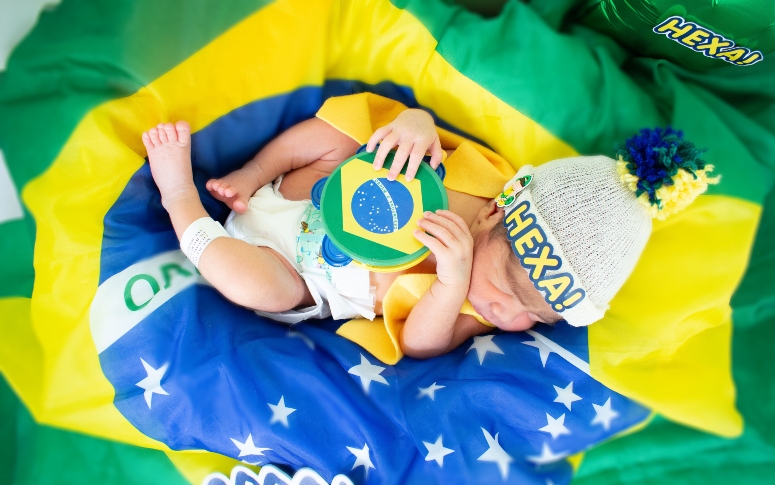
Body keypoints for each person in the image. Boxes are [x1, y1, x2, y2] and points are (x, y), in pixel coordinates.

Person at [141, 96, 717, 359]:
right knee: (347, 135)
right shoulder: (477, 182)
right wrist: (414, 125)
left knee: (253, 285)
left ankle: (181, 198)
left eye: (539, 317)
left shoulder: (469, 306)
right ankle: (251, 173)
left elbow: (419, 343)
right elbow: (393, 122)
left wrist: (449, 285)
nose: (511, 318)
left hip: (295, 273)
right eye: (511, 292)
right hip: (297, 194)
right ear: (496, 214)